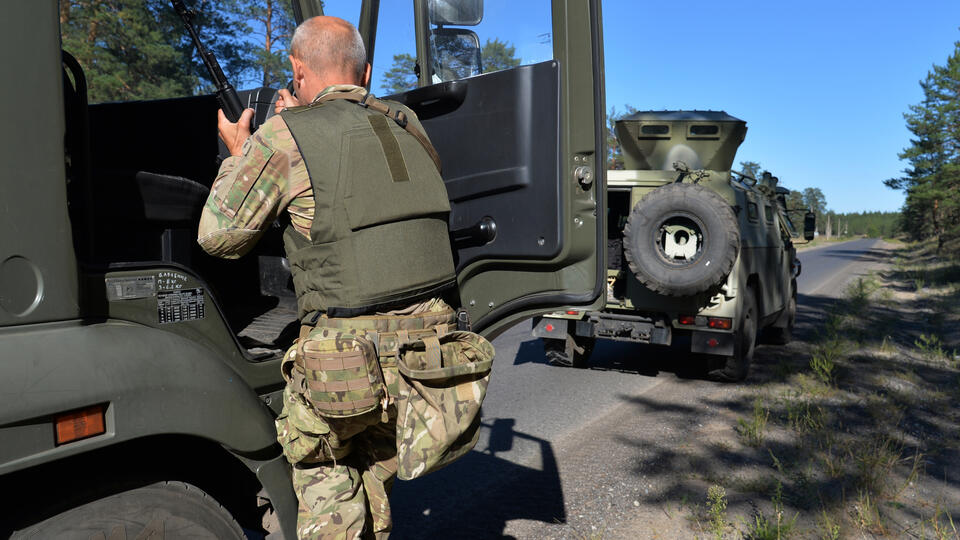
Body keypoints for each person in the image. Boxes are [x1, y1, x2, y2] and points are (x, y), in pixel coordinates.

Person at [198, 16, 459, 539]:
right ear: (364, 72)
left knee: (328, 479)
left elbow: (219, 237)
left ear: (296, 71)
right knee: (373, 479)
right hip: (429, 354)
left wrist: (241, 153)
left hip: (344, 362)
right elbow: (354, 157)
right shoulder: (407, 121)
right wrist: (301, 121)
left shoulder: (280, 136)